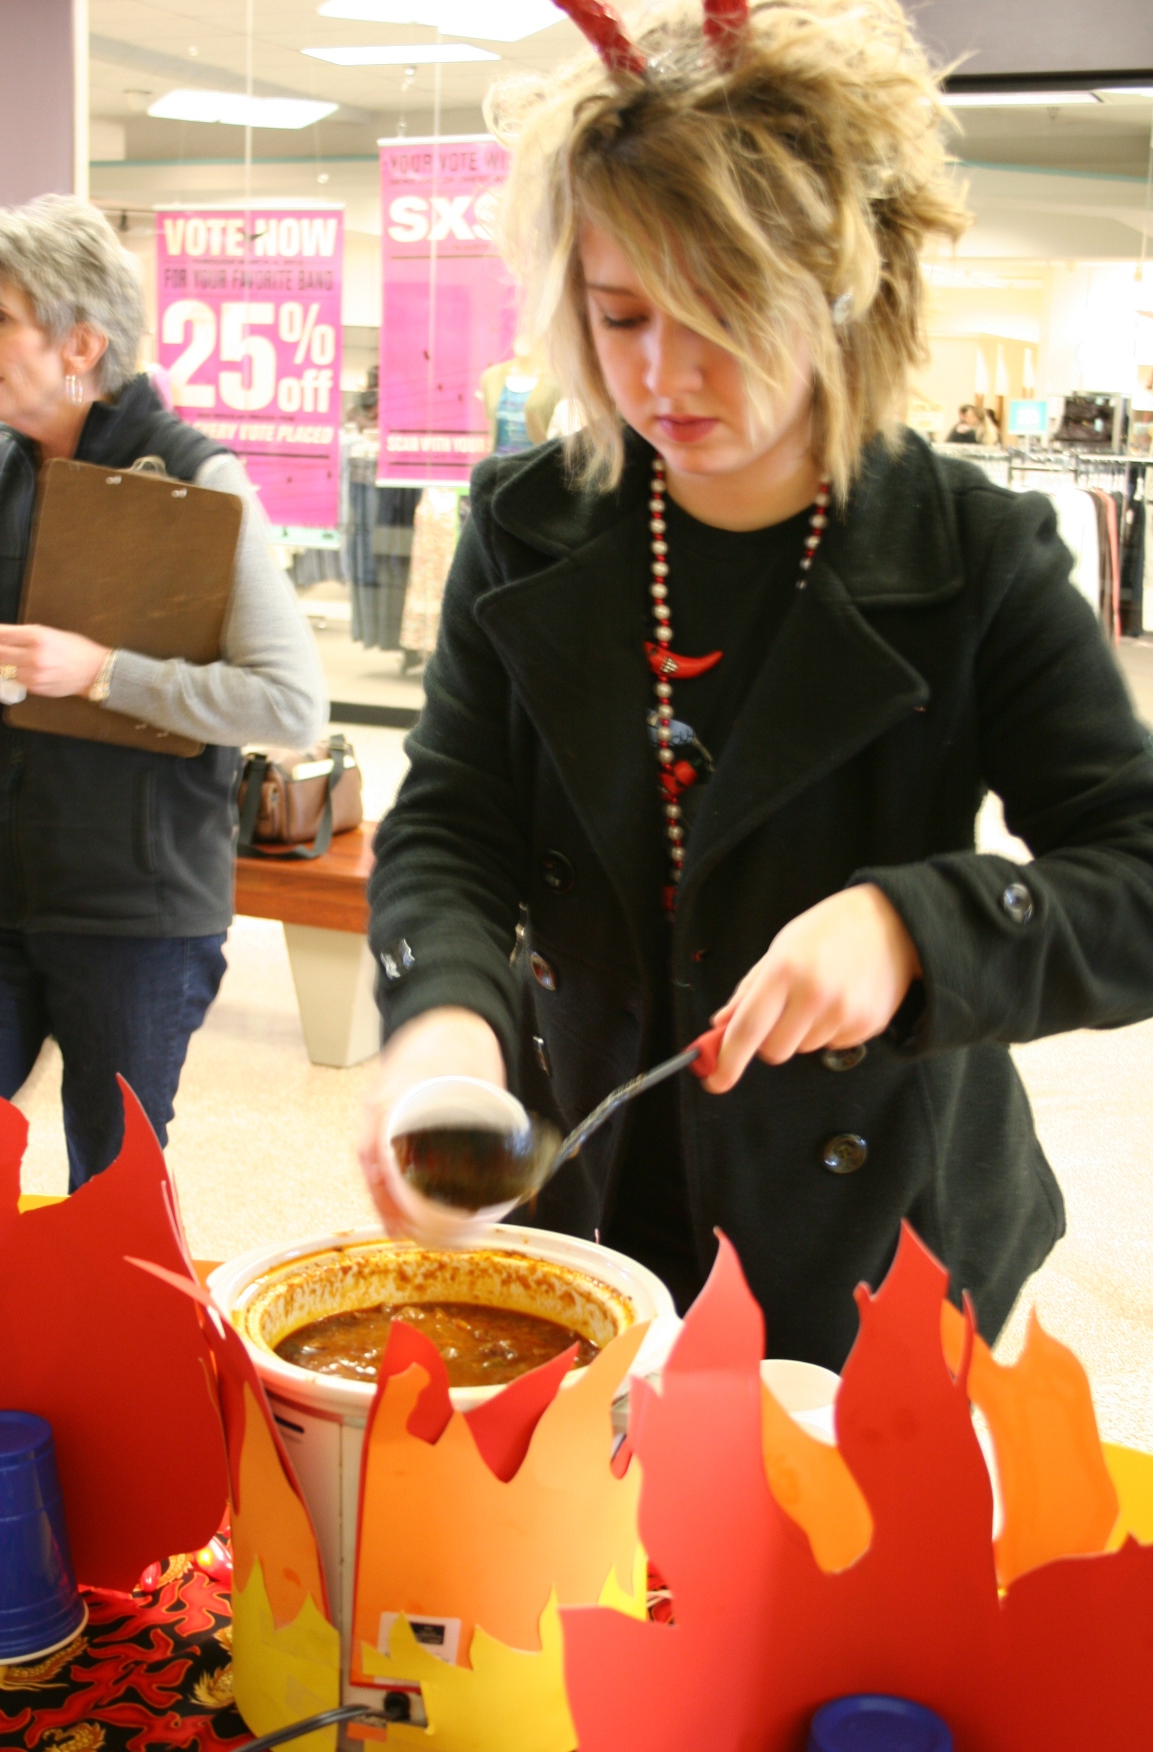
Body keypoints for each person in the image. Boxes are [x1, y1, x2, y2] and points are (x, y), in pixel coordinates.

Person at [358, 0, 1153, 1370]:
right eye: (620, 316)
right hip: (594, 1179)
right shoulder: (529, 523)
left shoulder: (971, 551)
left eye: (722, 313)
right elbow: (453, 823)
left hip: (876, 1229)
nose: (664, 375)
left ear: (842, 290)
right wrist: (444, 1024)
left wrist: (913, 928)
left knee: (825, 1569)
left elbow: (1136, 874)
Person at [0, 195, 328, 1189]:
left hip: (135, 919)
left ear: (81, 343)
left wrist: (96, 673)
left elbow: (288, 703)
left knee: (112, 1189)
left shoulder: (196, 478)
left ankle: (117, 1349)